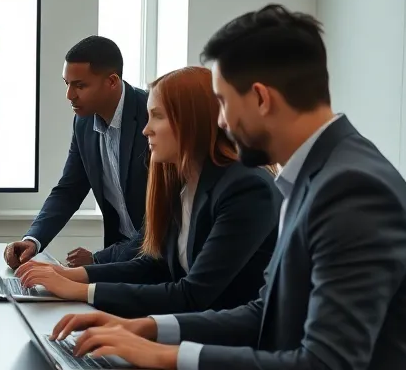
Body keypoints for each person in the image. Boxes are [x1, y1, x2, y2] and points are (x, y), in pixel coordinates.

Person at [53, 5, 406, 370]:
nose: (220, 123)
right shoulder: (318, 179)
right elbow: (266, 313)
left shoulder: (353, 194)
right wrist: (149, 329)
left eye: (225, 105)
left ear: (259, 98)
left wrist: (169, 356)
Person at [14, 65, 278, 317]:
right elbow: (155, 265)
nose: (146, 129)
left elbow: (193, 295)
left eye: (158, 116)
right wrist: (64, 275)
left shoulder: (246, 188)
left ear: (191, 121)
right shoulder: (183, 184)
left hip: (229, 348)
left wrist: (82, 291)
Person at [3, 35, 149, 270]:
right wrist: (33, 240)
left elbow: (165, 220)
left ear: (112, 81)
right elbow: (69, 190)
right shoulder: (83, 124)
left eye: (80, 85)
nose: (69, 95)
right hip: (122, 257)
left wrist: (99, 259)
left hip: (159, 259)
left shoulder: (152, 116)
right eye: (67, 84)